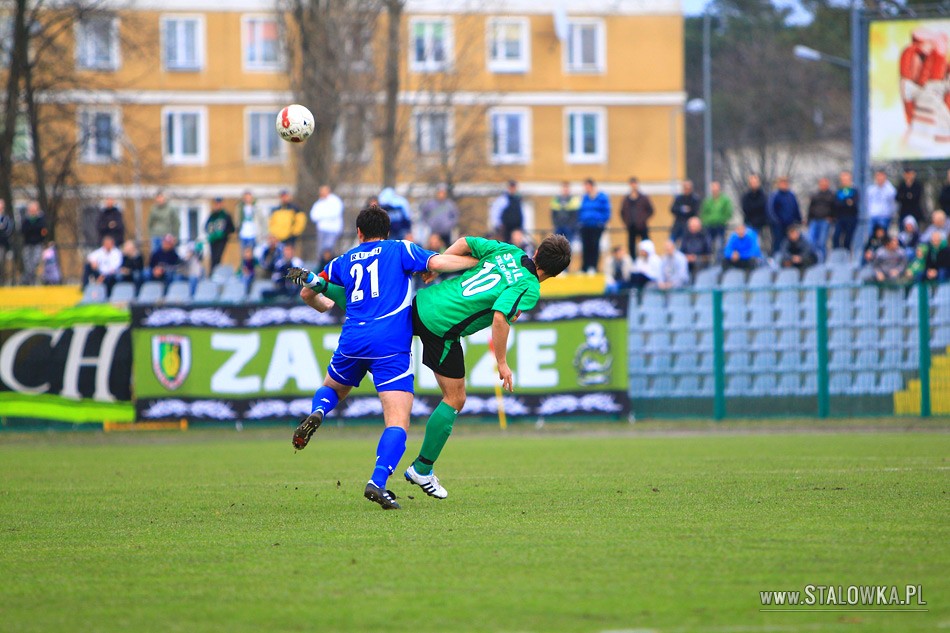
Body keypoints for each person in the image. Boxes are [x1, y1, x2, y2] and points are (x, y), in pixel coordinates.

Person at [292, 230, 573, 501]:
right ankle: (422, 469)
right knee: (455, 398)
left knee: (373, 310)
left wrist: (437, 268)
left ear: (535, 252)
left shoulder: (508, 251)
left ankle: (322, 285)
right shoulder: (530, 287)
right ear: (557, 273)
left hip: (423, 303)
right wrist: (502, 363)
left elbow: (464, 242)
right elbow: (500, 316)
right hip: (442, 328)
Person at [283, 204, 480, 509]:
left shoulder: (343, 260)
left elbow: (310, 294)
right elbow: (438, 263)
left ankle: (319, 411)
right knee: (397, 421)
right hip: (389, 343)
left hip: (353, 338)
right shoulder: (400, 249)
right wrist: (473, 261)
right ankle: (377, 481)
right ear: (387, 232)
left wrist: (324, 303)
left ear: (359, 233)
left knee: (333, 388)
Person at [578, 178, 610, 273]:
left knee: (594, 246)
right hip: (585, 226)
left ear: (592, 186)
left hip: (596, 226)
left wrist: (601, 222)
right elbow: (580, 211)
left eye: (587, 187)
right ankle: (584, 267)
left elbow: (607, 211)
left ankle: (593, 267)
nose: (586, 189)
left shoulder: (602, 197)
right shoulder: (585, 198)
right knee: (585, 246)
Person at [619, 177, 653, 257]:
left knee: (645, 244)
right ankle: (633, 261)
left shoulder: (643, 198)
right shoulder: (626, 199)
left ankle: (647, 258)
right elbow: (622, 212)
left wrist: (643, 219)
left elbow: (650, 210)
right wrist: (626, 222)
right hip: (631, 226)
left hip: (642, 226)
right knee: (631, 245)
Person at [767, 176, 801, 255]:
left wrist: (798, 219)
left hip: (790, 225)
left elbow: (796, 208)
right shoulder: (775, 195)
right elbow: (770, 210)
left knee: (790, 243)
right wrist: (776, 221)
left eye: (785, 183)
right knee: (778, 242)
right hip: (778, 224)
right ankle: (777, 259)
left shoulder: (791, 195)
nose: (784, 185)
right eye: (782, 183)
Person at [309, 185, 344, 258]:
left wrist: (322, 216)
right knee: (320, 250)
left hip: (333, 230)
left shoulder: (335, 201)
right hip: (321, 230)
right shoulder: (318, 203)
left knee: (330, 249)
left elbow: (335, 213)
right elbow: (313, 216)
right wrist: (324, 216)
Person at [806, 177, 835, 263]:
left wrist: (832, 218)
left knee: (822, 243)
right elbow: (811, 208)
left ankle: (822, 261)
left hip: (825, 221)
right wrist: (808, 220)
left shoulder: (831, 195)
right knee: (811, 242)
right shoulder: (815, 195)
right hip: (814, 220)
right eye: (821, 184)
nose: (823, 185)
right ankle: (813, 260)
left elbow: (835, 208)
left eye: (824, 183)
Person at [700, 181, 732, 252]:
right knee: (708, 243)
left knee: (720, 243)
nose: (714, 190)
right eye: (713, 189)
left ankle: (719, 260)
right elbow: (703, 213)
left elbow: (728, 212)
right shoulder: (708, 201)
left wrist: (722, 220)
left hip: (721, 225)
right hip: (709, 226)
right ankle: (710, 259)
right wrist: (707, 221)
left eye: (716, 188)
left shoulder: (725, 200)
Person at [20, 201, 48, 286]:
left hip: (38, 243)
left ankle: (30, 280)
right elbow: (23, 231)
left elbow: (43, 231)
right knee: (28, 263)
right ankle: (28, 281)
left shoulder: (41, 219)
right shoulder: (26, 220)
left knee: (35, 261)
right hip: (28, 244)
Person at [832, 170, 860, 251]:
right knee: (836, 236)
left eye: (846, 179)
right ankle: (837, 254)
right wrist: (847, 202)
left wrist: (846, 202)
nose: (844, 181)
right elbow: (837, 203)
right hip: (840, 217)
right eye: (843, 179)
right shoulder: (839, 191)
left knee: (848, 239)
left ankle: (846, 256)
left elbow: (854, 203)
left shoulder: (854, 190)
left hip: (851, 217)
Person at [205, 197, 235, 272]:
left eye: (219, 203)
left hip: (222, 239)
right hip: (213, 239)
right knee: (213, 257)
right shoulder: (212, 216)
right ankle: (212, 273)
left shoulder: (225, 215)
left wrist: (224, 233)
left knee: (218, 257)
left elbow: (231, 228)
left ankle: (216, 272)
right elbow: (206, 227)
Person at [740, 174, 769, 251]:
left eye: (755, 182)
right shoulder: (746, 196)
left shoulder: (763, 196)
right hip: (749, 223)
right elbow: (746, 209)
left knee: (761, 244)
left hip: (761, 224)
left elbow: (764, 208)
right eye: (752, 182)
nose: (754, 184)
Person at [0, 199, 12, 286]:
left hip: (2, 244)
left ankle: (3, 280)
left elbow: (8, 230)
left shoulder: (6, 218)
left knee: (2, 262)